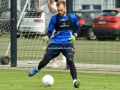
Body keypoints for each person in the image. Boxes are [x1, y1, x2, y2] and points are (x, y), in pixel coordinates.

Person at [28, 0, 80, 88]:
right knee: (44, 62)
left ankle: (75, 81)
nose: (59, 12)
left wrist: (74, 35)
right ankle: (37, 69)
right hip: (55, 43)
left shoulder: (72, 17)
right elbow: (49, 32)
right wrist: (46, 37)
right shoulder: (54, 18)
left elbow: (78, 27)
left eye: (61, 10)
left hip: (67, 44)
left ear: (65, 8)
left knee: (70, 60)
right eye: (58, 10)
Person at [34, 0, 58, 67]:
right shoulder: (45, 6)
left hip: (55, 28)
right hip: (48, 28)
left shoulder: (56, 4)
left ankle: (55, 62)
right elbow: (37, 10)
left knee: (53, 44)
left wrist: (48, 4)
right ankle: (50, 60)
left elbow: (52, 10)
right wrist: (36, 2)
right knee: (49, 44)